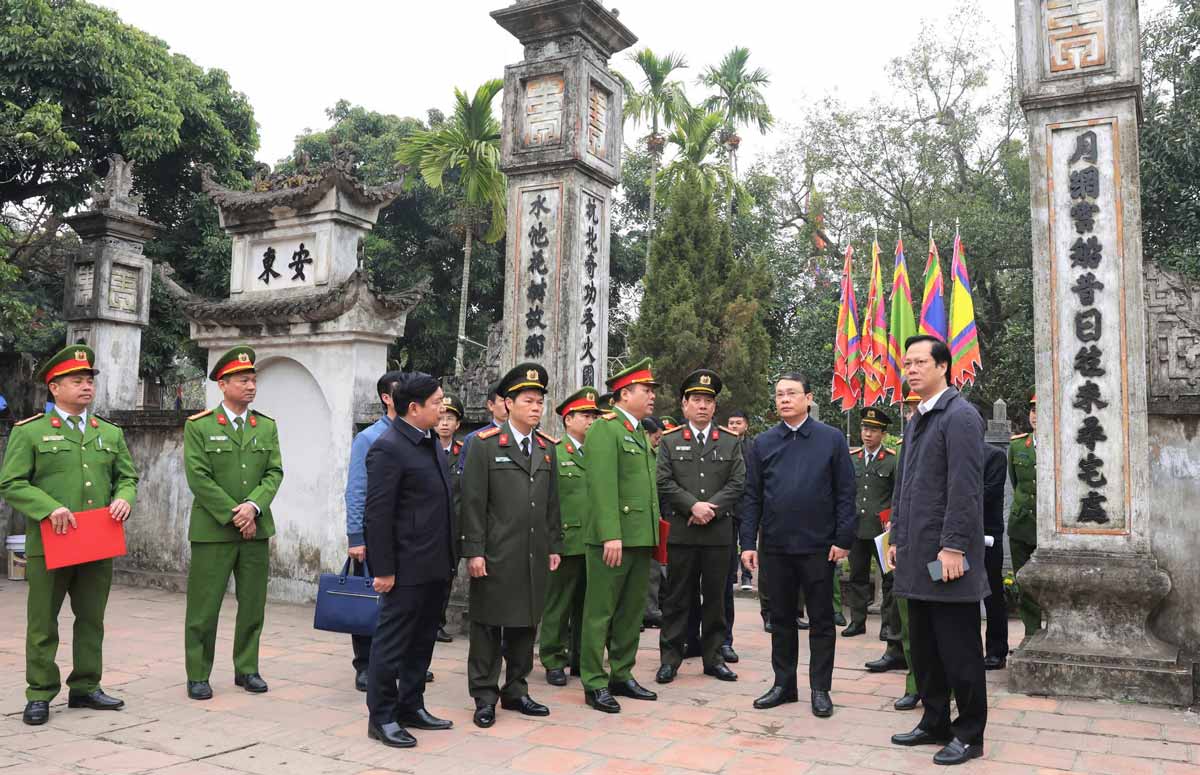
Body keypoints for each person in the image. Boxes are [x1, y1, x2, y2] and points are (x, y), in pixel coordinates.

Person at [0, 346, 139, 726]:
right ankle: (40, 693)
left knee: (91, 617)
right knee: (43, 620)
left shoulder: (108, 432)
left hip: (97, 540)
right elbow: (11, 483)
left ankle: (86, 687)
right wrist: (48, 507)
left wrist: (124, 499)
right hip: (51, 540)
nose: (86, 387)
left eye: (89, 380)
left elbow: (127, 476)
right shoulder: (31, 432)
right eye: (77, 380)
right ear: (54, 387)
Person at [887, 334, 988, 766]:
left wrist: (953, 547)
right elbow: (904, 486)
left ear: (943, 366)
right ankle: (934, 721)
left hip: (947, 559)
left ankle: (970, 734)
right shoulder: (917, 419)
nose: (910, 369)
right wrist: (895, 536)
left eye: (919, 362)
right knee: (925, 647)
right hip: (916, 555)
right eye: (906, 363)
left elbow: (964, 489)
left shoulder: (960, 417)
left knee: (958, 649)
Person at [740, 372, 855, 719]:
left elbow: (846, 493)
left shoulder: (830, 439)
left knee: (821, 620)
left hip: (819, 546)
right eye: (779, 395)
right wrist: (748, 542)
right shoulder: (763, 442)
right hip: (776, 546)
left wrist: (843, 539)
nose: (784, 400)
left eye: (791, 393)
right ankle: (783, 685)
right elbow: (752, 496)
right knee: (781, 619)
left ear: (808, 397)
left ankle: (820, 689)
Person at [461, 363, 562, 728]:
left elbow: (553, 503)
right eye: (528, 400)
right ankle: (484, 695)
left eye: (540, 401)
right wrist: (473, 551)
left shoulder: (547, 448)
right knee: (487, 626)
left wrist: (554, 545)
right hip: (495, 554)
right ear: (507, 404)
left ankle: (516, 689)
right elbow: (472, 503)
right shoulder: (484, 446)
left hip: (533, 553)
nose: (536, 407)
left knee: (524, 624)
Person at [183, 346, 283, 702]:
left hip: (256, 529)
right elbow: (199, 477)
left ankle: (247, 668)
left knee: (253, 603)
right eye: (243, 380)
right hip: (214, 531)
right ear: (223, 384)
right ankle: (198, 673)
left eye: (253, 379)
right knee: (204, 606)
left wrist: (253, 507)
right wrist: (234, 513)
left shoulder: (266, 426)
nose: (251, 385)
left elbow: (274, 472)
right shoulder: (200, 426)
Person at [363, 372, 456, 748]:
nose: (442, 407)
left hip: (435, 562)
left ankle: (411, 705)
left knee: (422, 641)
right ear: (413, 408)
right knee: (391, 643)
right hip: (404, 567)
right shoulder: (389, 447)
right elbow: (378, 514)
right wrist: (382, 569)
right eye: (436, 402)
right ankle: (381, 717)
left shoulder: (429, 441)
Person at [579, 358, 661, 713]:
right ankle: (594, 681)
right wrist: (611, 534)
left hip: (641, 537)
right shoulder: (605, 429)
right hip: (613, 540)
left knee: (631, 612)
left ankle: (622, 673)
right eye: (647, 390)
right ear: (625, 394)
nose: (652, 397)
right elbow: (601, 486)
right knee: (600, 612)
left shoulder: (638, 432)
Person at [345, 371, 434, 692]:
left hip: (408, 541)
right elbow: (357, 490)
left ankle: (403, 663)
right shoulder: (370, 439)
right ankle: (365, 664)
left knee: (403, 607)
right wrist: (356, 536)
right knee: (368, 603)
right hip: (375, 536)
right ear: (388, 398)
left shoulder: (423, 438)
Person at [655, 369, 745, 685]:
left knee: (716, 600)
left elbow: (738, 482)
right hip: (683, 532)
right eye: (697, 400)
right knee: (677, 598)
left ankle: (714, 658)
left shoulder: (731, 442)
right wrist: (692, 506)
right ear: (685, 404)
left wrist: (710, 509)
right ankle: (670, 658)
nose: (703, 406)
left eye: (708, 400)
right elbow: (663, 481)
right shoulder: (670, 440)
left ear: (714, 406)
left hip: (718, 534)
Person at [540, 388, 601, 686]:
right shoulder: (554, 452)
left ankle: (581, 658)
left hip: (595, 541)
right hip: (565, 542)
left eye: (594, 416)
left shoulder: (600, 453)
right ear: (568, 419)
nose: (591, 421)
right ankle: (553, 659)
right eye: (586, 416)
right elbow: (548, 503)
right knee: (558, 604)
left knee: (589, 605)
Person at [845, 407, 900, 647]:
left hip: (882, 529)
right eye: (865, 429)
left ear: (883, 434)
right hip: (857, 527)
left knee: (889, 578)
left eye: (873, 430)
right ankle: (857, 621)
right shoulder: (853, 458)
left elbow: (897, 494)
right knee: (857, 576)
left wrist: (892, 520)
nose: (868, 434)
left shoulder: (891, 459)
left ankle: (887, 624)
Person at [1008, 395, 1040, 641]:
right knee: (1023, 580)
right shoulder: (1018, 446)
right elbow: (1016, 482)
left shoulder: (1060, 445)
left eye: (1040, 409)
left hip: (1045, 527)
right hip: (1021, 524)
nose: (1034, 415)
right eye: (1032, 410)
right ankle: (1031, 632)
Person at [434, 392, 465, 644]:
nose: (444, 423)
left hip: (455, 528)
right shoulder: (425, 447)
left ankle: (439, 623)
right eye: (441, 418)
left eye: (450, 418)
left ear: (458, 424)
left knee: (447, 576)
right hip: (430, 528)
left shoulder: (465, 452)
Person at [982, 443, 1009, 670]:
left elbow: (987, 494)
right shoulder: (948, 452)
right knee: (946, 586)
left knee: (992, 593)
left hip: (986, 537)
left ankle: (996, 651)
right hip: (947, 537)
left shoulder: (995, 456)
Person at [641, 415, 666, 629]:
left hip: (655, 520)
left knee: (654, 570)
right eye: (656, 438)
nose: (658, 442)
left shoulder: (655, 455)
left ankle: (649, 610)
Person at [456, 381, 509, 475]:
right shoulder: (474, 439)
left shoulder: (527, 437)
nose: (508, 405)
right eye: (503, 400)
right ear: (491, 405)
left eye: (512, 400)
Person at [726, 409, 753, 591]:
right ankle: (731, 575)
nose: (734, 426)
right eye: (731, 423)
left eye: (738, 423)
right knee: (728, 541)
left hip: (747, 501)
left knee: (747, 540)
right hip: (728, 503)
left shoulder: (753, 446)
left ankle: (747, 576)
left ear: (746, 425)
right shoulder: (722, 444)